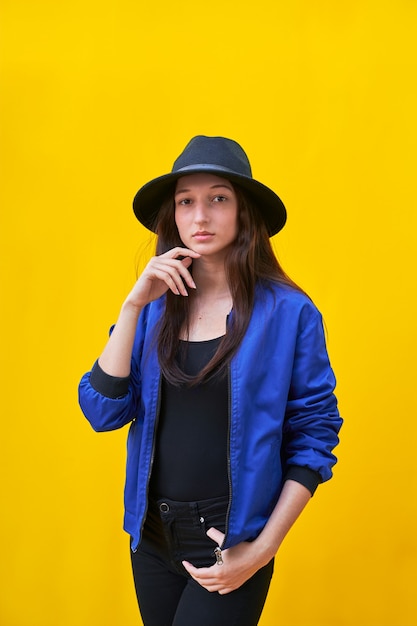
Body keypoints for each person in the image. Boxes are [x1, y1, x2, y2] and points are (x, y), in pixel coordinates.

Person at [78, 135, 342, 626]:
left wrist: (261, 551)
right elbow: (102, 411)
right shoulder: (153, 310)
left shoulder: (290, 312)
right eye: (186, 202)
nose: (200, 217)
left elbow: (314, 436)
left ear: (244, 212)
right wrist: (132, 306)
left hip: (229, 540)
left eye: (218, 198)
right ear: (172, 217)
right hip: (152, 538)